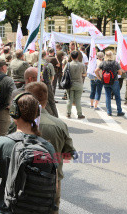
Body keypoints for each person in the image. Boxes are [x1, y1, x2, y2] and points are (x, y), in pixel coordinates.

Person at [0, 93, 58, 214]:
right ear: (36, 114)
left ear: (14, 113)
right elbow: (54, 186)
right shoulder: (48, 147)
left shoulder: (1, 143)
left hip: (7, 208)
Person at [24, 82, 76, 213]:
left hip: (23, 179)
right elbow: (69, 154)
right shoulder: (59, 125)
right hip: (51, 181)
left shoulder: (18, 123)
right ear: (46, 100)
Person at [95, 50, 124, 117]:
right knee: (117, 96)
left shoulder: (103, 63)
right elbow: (120, 73)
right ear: (112, 56)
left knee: (107, 96)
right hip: (114, 81)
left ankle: (109, 111)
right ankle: (119, 111)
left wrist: (100, 78)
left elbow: (96, 71)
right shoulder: (115, 63)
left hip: (106, 82)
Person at [64, 50, 86, 119]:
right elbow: (84, 74)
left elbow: (64, 73)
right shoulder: (82, 65)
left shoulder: (68, 64)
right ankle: (79, 114)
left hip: (70, 84)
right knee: (78, 100)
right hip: (79, 84)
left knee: (70, 100)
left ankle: (68, 113)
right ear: (77, 57)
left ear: (71, 57)